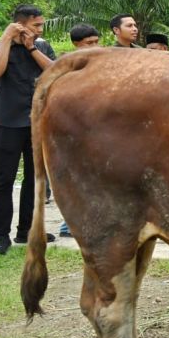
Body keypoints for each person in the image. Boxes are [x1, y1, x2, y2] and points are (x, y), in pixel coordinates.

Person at [0, 5, 57, 255]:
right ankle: (0, 236)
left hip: (38, 122)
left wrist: (31, 47)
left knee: (35, 180)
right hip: (8, 123)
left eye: (41, 25)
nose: (40, 30)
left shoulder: (42, 46)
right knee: (3, 181)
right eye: (36, 26)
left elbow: (55, 73)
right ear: (20, 24)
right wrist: (6, 38)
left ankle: (27, 229)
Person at [58, 23, 101, 237]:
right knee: (74, 178)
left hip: (95, 130)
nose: (94, 46)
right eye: (88, 43)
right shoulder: (68, 66)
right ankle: (68, 225)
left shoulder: (100, 64)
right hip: (73, 129)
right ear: (76, 44)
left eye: (96, 42)